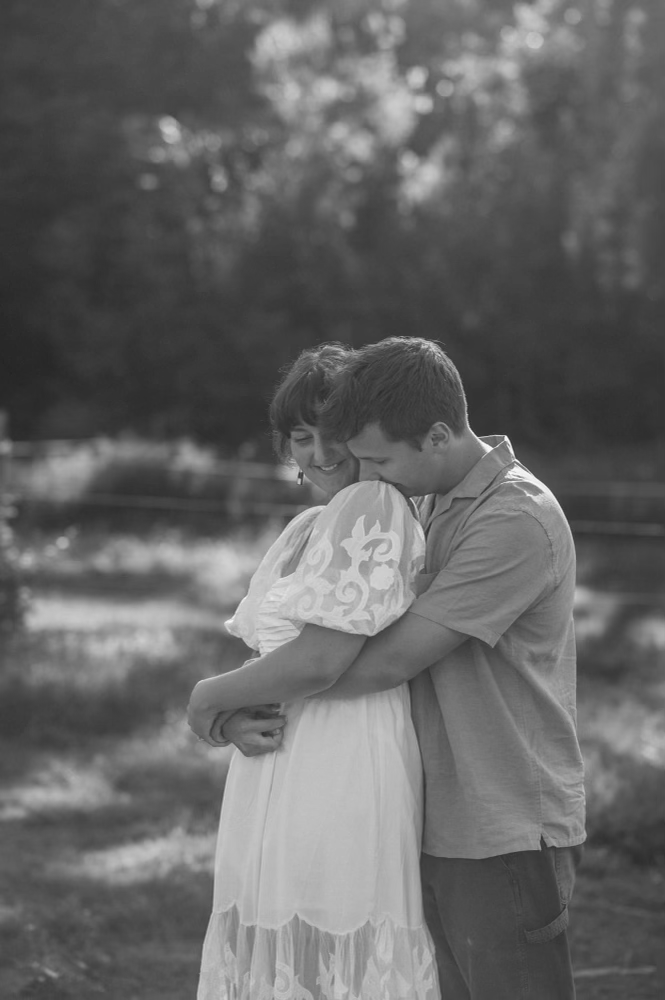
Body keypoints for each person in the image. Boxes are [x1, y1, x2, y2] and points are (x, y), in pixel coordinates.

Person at [207, 337, 587, 1000]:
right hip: (424, 807)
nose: (367, 472)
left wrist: (216, 699)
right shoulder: (427, 497)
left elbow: (380, 662)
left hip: (497, 816)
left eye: (378, 458)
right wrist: (255, 698)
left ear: (436, 436)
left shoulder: (513, 518)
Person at [188, 344, 440, 1000]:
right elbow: (274, 659)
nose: (320, 453)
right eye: (301, 436)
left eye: (333, 433)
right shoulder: (308, 524)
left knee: (329, 946)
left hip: (341, 758)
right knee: (286, 958)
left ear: (364, 433)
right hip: (276, 759)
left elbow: (321, 660)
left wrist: (207, 699)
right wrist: (236, 717)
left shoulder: (374, 506)